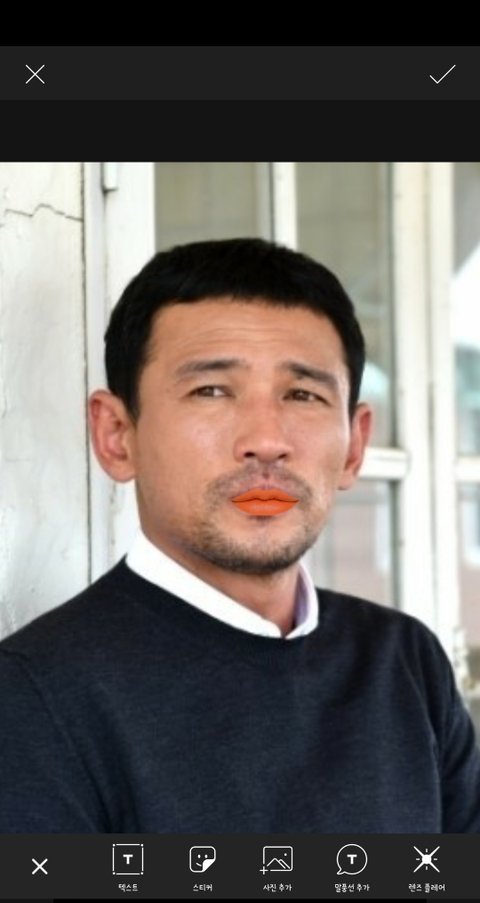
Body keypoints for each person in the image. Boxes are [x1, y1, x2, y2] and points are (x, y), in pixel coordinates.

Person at [1, 237, 479, 833]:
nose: (267, 440)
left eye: (302, 394)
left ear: (355, 445)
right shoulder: (33, 696)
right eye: (211, 391)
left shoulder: (404, 662)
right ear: (117, 435)